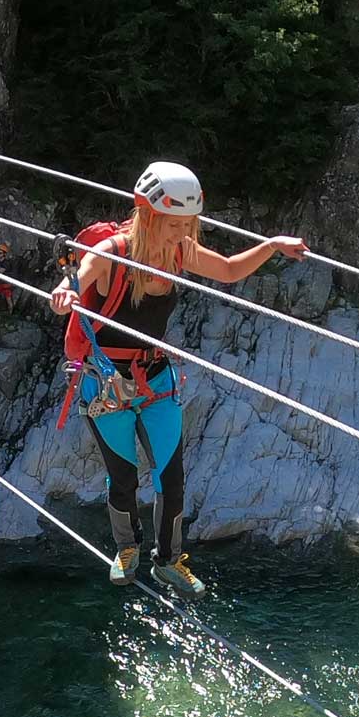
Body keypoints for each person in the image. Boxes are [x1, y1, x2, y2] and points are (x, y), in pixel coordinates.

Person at [50, 161, 306, 593]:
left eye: (188, 224)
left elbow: (226, 270)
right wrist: (67, 290)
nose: (182, 232)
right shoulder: (113, 251)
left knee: (172, 475)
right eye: (174, 224)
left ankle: (168, 561)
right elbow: (81, 272)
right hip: (106, 383)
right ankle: (127, 548)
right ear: (148, 216)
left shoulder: (179, 252)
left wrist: (271, 246)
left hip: (155, 377)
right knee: (124, 476)